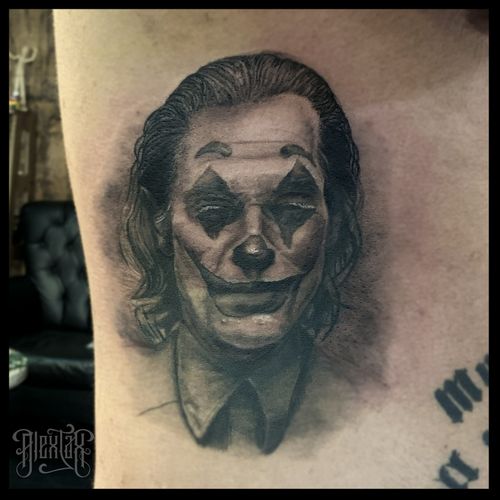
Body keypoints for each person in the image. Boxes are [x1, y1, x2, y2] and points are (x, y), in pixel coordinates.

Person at [53, 9, 488, 488]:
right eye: (214, 209)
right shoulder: (141, 407)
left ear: (336, 223)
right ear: (158, 225)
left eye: (292, 206)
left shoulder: (367, 404)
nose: (255, 248)